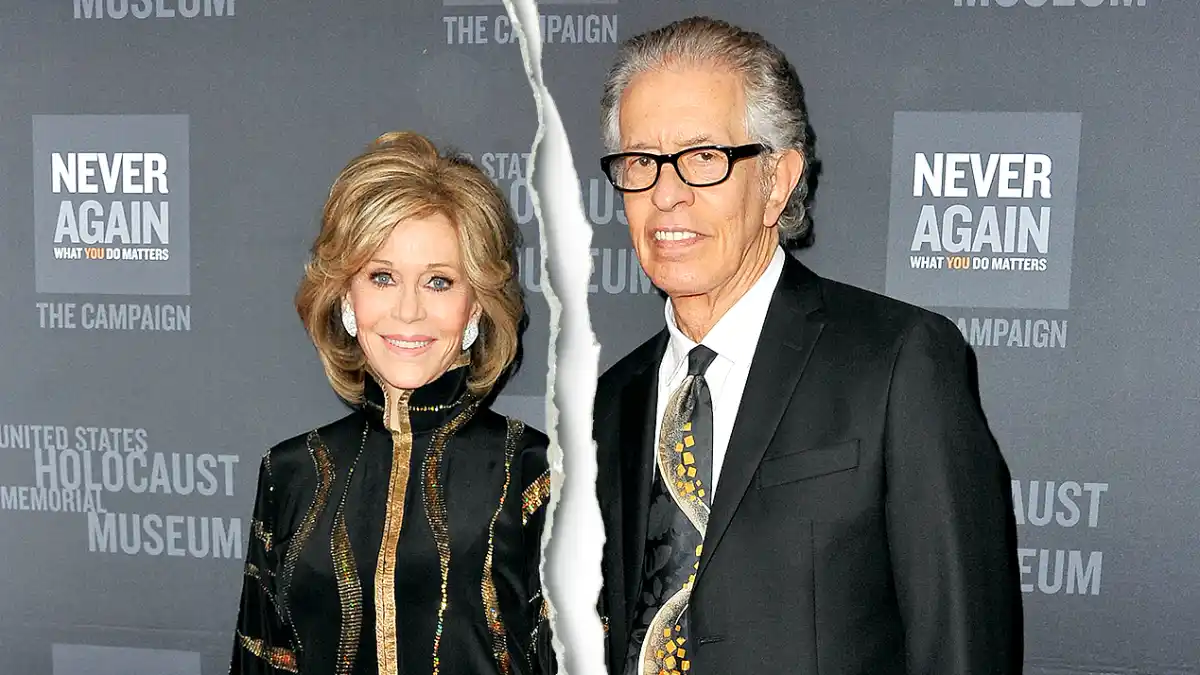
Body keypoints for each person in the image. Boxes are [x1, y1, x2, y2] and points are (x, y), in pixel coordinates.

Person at [593, 16, 1023, 675]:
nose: (667, 193)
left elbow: (962, 647)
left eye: (704, 157)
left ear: (777, 180)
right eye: (641, 162)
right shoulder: (615, 398)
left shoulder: (899, 362)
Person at [229, 132, 555, 675]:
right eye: (382, 277)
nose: (408, 311)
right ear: (346, 297)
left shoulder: (530, 472)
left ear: (475, 306)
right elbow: (260, 660)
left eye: (439, 281)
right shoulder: (291, 473)